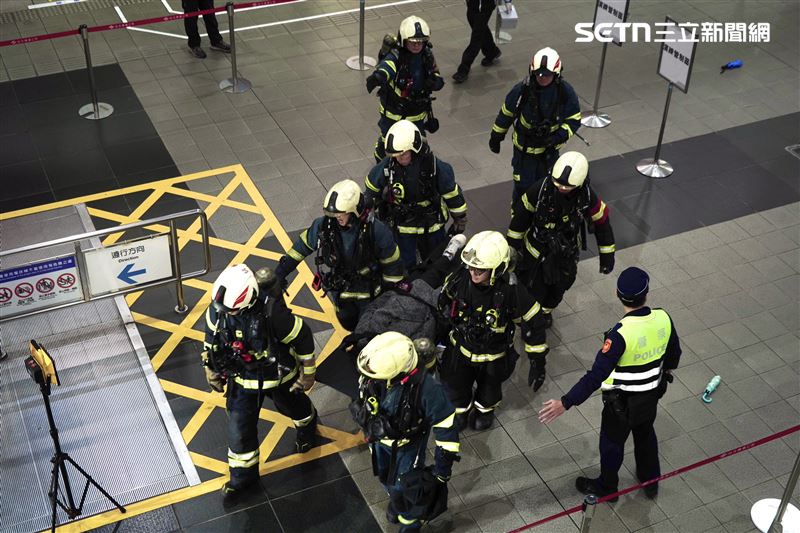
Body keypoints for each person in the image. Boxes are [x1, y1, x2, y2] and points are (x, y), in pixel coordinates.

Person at [538, 267, 682, 501]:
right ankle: (650, 481)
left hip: (620, 405)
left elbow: (595, 377)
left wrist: (565, 403)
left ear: (617, 293)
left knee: (612, 445)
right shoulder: (663, 317)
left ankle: (608, 487)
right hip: (651, 396)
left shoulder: (618, 336)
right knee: (645, 436)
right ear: (647, 293)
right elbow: (674, 354)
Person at [201, 264, 319, 504]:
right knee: (239, 431)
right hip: (243, 380)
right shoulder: (219, 311)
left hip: (278, 376)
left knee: (294, 407)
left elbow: (303, 337)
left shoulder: (274, 315)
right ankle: (243, 479)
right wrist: (210, 368)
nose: (226, 314)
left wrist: (308, 374)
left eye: (232, 311)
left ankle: (307, 426)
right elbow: (211, 341)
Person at [507, 151, 615, 391]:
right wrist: (511, 251)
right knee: (532, 291)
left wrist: (607, 254)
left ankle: (545, 313)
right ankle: (530, 321)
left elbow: (601, 222)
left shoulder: (586, 196)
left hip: (564, 257)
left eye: (566, 186)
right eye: (558, 184)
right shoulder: (539, 190)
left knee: (558, 289)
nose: (561, 188)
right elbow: (519, 221)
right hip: (535, 255)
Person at [437, 231, 547, 431]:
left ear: (498, 268)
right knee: (456, 385)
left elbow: (535, 322)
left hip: (494, 355)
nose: (474, 273)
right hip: (460, 349)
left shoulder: (511, 291)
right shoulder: (459, 279)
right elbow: (443, 302)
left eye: (481, 269)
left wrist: (537, 360)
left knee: (490, 390)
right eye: (472, 267)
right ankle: (461, 411)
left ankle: (483, 411)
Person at [350, 331, 460, 531]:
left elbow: (447, 428)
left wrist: (442, 470)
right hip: (378, 441)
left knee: (407, 487)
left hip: (407, 447)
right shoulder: (374, 374)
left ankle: (411, 522)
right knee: (385, 478)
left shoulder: (427, 389)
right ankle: (396, 501)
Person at [275, 179, 404, 331]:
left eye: (341, 214)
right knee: (347, 322)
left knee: (368, 330)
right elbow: (300, 248)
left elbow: (393, 263)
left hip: (370, 294)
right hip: (341, 292)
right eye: (334, 214)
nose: (337, 218)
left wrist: (390, 297)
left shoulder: (376, 231)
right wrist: (279, 273)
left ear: (355, 210)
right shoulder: (324, 226)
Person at [365, 120, 467, 269]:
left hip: (432, 225)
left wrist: (460, 218)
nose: (398, 158)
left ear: (415, 148)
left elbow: (452, 193)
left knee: (436, 261)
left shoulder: (434, 166)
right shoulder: (387, 167)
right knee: (404, 263)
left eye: (403, 154)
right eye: (395, 155)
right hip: (402, 227)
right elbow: (370, 191)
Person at [489, 47, 581, 202]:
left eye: (546, 74)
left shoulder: (565, 92)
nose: (542, 77)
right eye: (538, 74)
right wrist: (496, 136)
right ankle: (519, 221)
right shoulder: (521, 91)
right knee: (522, 190)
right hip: (524, 153)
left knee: (547, 187)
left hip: (549, 153)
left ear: (556, 73)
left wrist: (557, 137)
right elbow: (506, 114)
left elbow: (573, 120)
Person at [366, 16, 445, 162]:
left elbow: (436, 73)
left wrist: (436, 81)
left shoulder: (427, 55)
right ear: (404, 40)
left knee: (417, 144)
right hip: (393, 112)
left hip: (417, 113)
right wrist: (378, 76)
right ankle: (381, 167)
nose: (417, 45)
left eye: (420, 42)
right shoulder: (396, 55)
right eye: (413, 42)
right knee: (387, 144)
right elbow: (387, 66)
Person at [452, 0, 502, 84]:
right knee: (477, 24)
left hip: (487, 5)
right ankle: (492, 51)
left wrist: (508, 1)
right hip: (473, 3)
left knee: (477, 34)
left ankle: (464, 68)